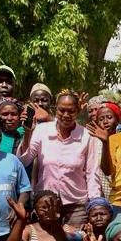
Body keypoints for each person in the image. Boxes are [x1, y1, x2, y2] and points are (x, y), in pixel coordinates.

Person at [18, 90, 102, 226]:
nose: (66, 115)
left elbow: (92, 173)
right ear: (55, 109)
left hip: (76, 207)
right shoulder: (41, 131)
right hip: (45, 204)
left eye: (71, 111)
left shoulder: (86, 136)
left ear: (78, 111)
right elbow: (24, 160)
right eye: (62, 110)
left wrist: (95, 203)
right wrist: (28, 133)